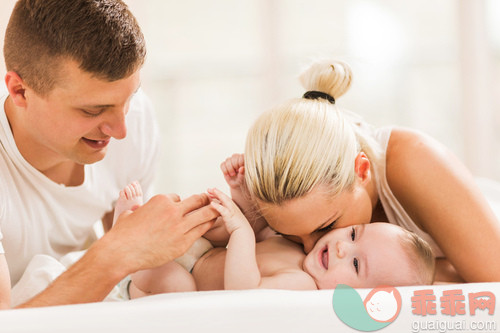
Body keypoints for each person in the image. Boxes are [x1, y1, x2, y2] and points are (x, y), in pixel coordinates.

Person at [0, 0, 217, 309]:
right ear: (20, 91)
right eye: (92, 110)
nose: (120, 130)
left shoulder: (134, 118)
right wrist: (120, 251)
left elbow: (128, 280)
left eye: (129, 98)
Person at [237, 59, 500, 283]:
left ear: (361, 170)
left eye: (326, 226)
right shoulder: (288, 204)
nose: (309, 251)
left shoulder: (415, 161)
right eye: (289, 237)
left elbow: (494, 280)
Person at [111, 182, 435, 298]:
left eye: (355, 263)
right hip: (202, 255)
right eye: (353, 234)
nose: (341, 246)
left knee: (175, 283)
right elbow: (262, 230)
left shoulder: (303, 286)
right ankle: (133, 231)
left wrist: (240, 231)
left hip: (182, 283)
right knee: (199, 222)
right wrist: (241, 195)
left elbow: (244, 290)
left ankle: (123, 246)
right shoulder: (300, 246)